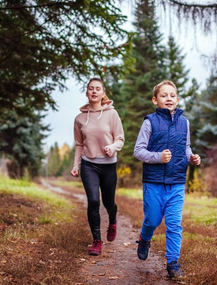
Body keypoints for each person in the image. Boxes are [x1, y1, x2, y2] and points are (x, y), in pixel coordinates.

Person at [133, 80, 201, 279]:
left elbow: (186, 147)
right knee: (152, 219)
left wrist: (191, 157)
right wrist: (158, 157)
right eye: (164, 95)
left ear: (177, 99)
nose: (169, 98)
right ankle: (144, 238)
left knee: (173, 223)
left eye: (172, 95)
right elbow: (138, 151)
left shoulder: (184, 122)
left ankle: (173, 263)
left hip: (177, 182)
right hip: (153, 182)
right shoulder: (150, 122)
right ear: (155, 100)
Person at [70, 77, 125, 256]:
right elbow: (79, 144)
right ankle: (96, 240)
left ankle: (113, 219)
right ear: (87, 93)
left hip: (108, 165)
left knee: (108, 202)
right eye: (91, 88)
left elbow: (120, 139)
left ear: (103, 93)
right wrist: (76, 165)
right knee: (93, 201)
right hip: (89, 164)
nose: (94, 91)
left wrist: (112, 147)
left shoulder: (112, 114)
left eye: (98, 89)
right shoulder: (79, 119)